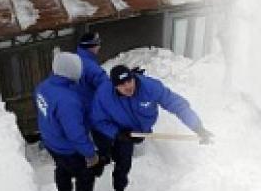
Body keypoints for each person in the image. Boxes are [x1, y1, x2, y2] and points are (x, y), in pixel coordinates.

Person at [90, 65, 213, 191]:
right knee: (114, 155)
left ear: (133, 77)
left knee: (124, 161)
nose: (128, 86)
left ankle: (118, 183)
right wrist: (116, 133)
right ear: (114, 86)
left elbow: (176, 104)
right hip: (116, 128)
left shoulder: (150, 87)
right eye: (122, 84)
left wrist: (197, 127)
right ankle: (106, 161)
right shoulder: (104, 94)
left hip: (137, 131)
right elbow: (97, 121)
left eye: (129, 81)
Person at [36, 52, 100, 191]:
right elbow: (75, 134)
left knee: (62, 168)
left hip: (51, 140)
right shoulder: (67, 101)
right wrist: (90, 154)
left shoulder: (44, 86)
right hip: (67, 149)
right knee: (86, 175)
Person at [74, 32, 109, 173]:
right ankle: (103, 159)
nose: (99, 46)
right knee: (101, 134)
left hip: (79, 106)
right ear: (91, 47)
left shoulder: (77, 59)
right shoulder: (90, 66)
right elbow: (106, 85)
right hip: (90, 107)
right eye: (97, 44)